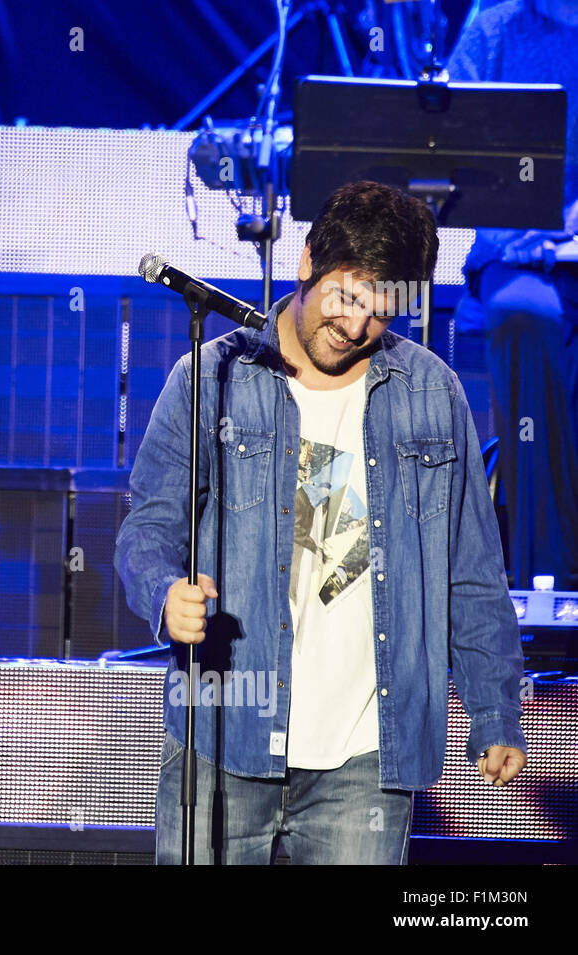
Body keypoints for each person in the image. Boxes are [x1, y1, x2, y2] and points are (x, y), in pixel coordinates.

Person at [115, 181, 527, 865]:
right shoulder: (212, 377)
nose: (357, 323)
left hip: (365, 757)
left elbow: (473, 573)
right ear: (307, 260)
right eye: (347, 294)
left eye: (380, 308)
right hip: (226, 735)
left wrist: (494, 712)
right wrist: (164, 593)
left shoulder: (431, 394)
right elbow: (147, 528)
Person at [447, 0, 578, 591]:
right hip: (525, 251)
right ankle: (548, 581)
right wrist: (536, 234)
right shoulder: (495, 30)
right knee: (525, 314)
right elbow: (450, 151)